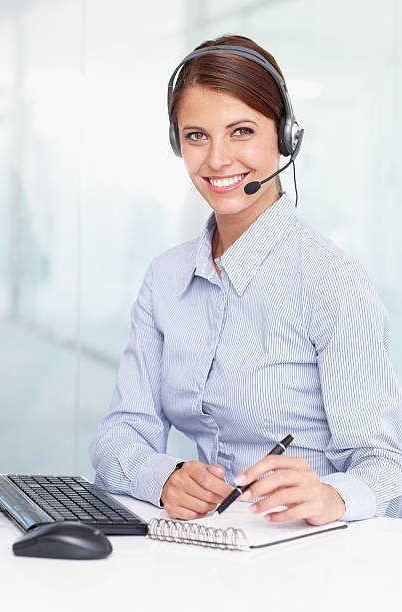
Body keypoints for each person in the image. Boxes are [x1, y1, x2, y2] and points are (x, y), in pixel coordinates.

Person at [90, 35, 402, 525]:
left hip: (309, 552)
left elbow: (388, 468)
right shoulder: (165, 278)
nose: (217, 160)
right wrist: (164, 476)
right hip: (201, 546)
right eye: (196, 136)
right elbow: (119, 435)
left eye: (241, 131)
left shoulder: (330, 281)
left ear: (284, 136)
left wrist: (330, 497)